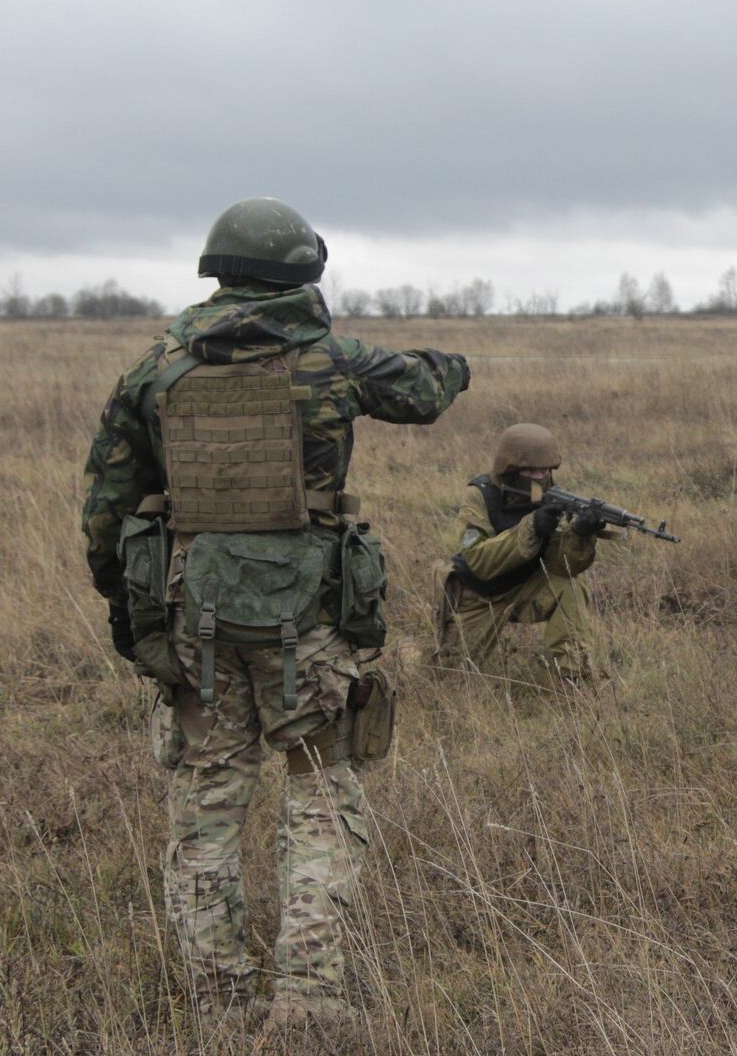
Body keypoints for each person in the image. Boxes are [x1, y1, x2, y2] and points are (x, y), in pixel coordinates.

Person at [80, 197, 470, 1034]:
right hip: (312, 628)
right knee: (321, 803)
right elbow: (427, 391)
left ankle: (221, 1006)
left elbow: (106, 511)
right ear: (305, 272)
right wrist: (454, 360)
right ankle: (309, 999)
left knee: (205, 813)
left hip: (196, 623)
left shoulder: (158, 367)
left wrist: (132, 620)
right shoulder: (333, 360)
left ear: (216, 271)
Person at [433, 423, 614, 689]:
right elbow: (478, 561)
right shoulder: (480, 495)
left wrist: (578, 535)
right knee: (450, 681)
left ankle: (575, 681)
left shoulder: (552, 496)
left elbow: (562, 567)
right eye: (531, 470)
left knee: (571, 586)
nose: (539, 477)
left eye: (545, 470)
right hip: (479, 596)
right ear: (510, 468)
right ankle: (407, 652)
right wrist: (532, 527)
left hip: (525, 590)